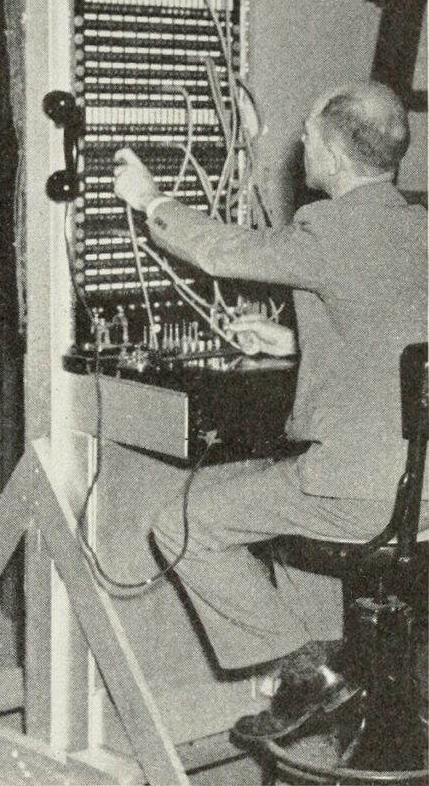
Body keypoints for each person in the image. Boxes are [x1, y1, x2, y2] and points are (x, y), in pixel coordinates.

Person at [113, 82, 427, 741]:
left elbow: (222, 253)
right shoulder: (418, 225)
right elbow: (402, 335)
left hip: (367, 500)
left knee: (182, 521)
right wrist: (295, 342)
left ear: (335, 158)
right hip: (423, 495)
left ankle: (309, 678)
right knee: (243, 486)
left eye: (309, 136)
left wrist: (152, 201)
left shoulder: (328, 228)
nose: (302, 145)